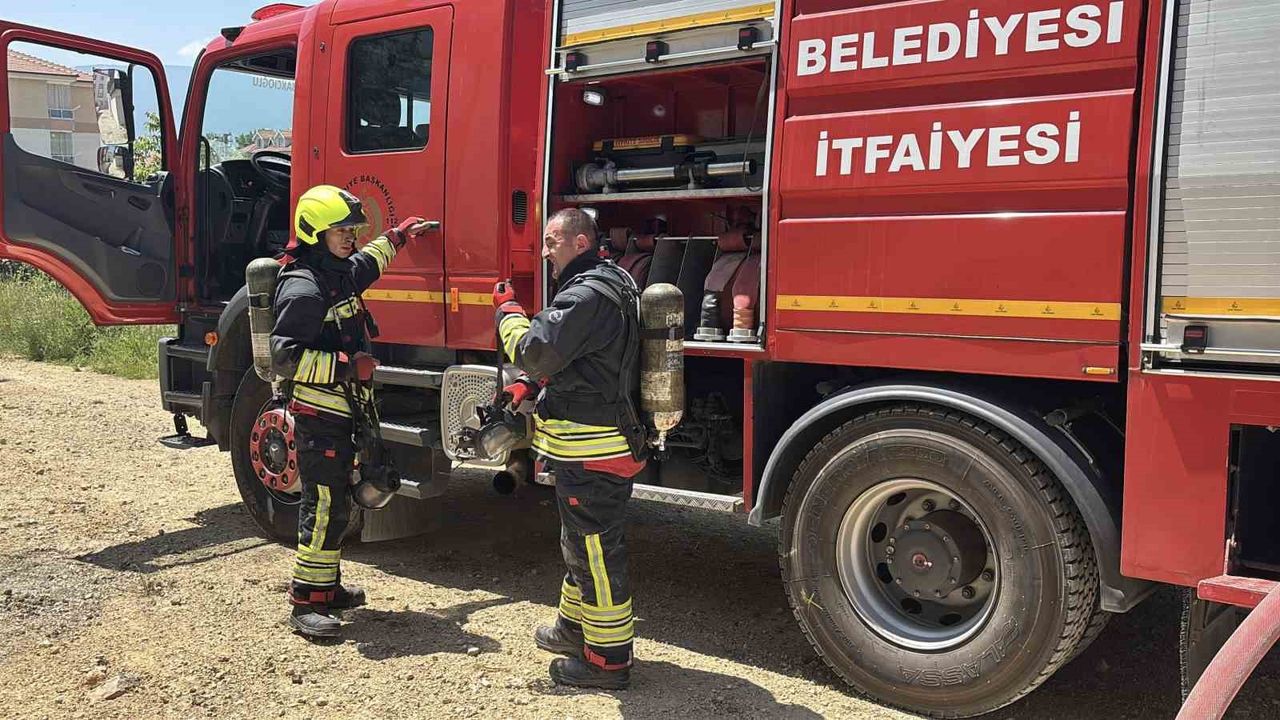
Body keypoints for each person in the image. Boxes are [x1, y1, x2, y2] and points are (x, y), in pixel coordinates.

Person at [494, 207, 646, 689]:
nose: (544, 252)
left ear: (581, 243)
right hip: (600, 441)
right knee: (579, 542)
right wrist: (533, 386)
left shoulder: (584, 295)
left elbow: (536, 350)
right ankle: (572, 628)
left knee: (595, 552)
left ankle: (608, 661)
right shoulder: (613, 282)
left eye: (551, 241)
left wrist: (508, 315)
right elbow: (586, 363)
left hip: (592, 447)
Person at [269, 184, 430, 638]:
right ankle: (305, 601)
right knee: (322, 504)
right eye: (340, 230)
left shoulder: (336, 272)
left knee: (337, 502)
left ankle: (328, 588)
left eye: (352, 229)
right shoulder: (303, 287)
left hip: (344, 411)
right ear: (315, 233)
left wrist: (398, 235)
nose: (350, 237)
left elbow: (367, 263)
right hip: (320, 414)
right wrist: (345, 366)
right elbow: (284, 357)